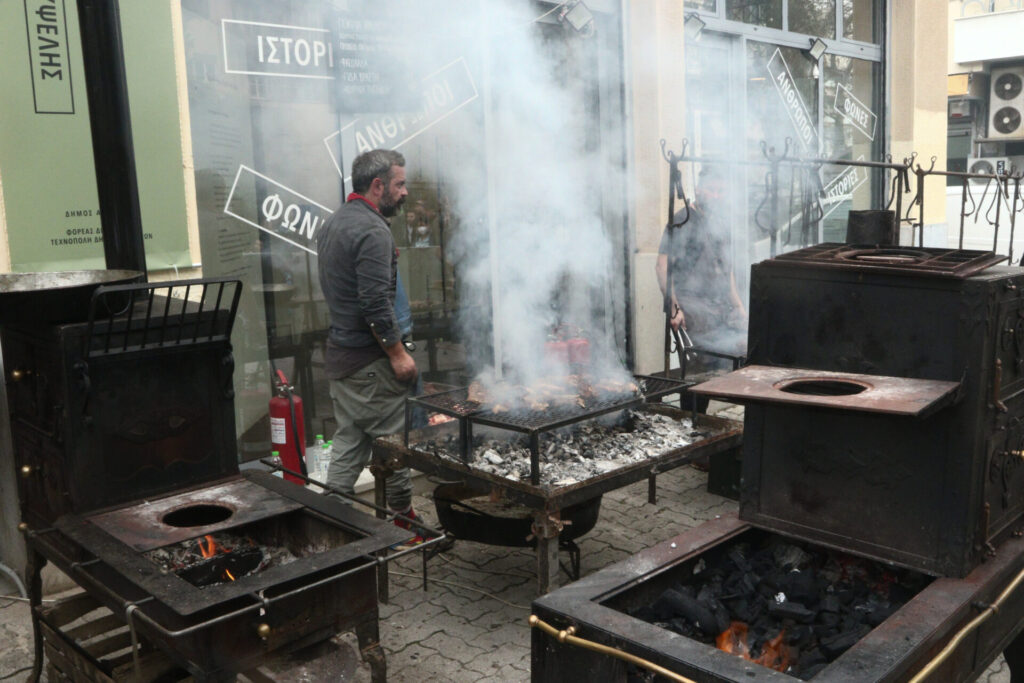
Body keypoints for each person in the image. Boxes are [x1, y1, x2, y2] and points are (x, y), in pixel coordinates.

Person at [317, 148, 430, 545]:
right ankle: (401, 521)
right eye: (399, 184)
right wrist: (398, 355)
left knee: (349, 440)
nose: (404, 192)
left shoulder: (332, 224)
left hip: (342, 359)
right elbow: (374, 302)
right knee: (393, 446)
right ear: (378, 184)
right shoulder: (372, 230)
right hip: (371, 364)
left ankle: (332, 525)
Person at [655, 166, 747, 357]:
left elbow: (725, 269)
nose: (716, 196)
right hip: (694, 312)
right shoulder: (682, 221)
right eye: (711, 190)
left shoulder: (721, 223)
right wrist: (674, 308)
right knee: (705, 370)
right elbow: (662, 267)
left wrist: (738, 306)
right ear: (698, 190)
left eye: (720, 191)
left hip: (722, 309)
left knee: (742, 355)